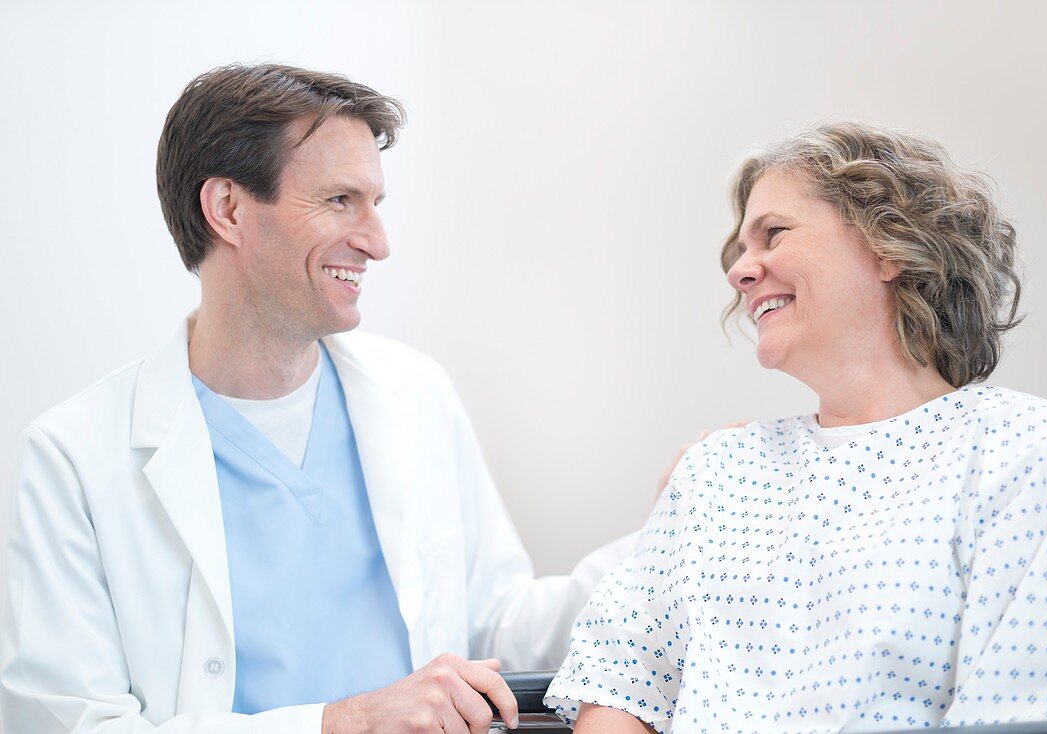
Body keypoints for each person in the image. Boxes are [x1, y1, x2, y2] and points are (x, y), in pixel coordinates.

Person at [0, 63, 634, 734]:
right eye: (340, 201)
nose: (377, 242)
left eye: (375, 205)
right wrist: (341, 722)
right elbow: (68, 724)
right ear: (228, 210)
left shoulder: (415, 394)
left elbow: (497, 625)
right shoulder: (75, 455)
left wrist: (675, 534)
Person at [545, 122, 1047, 733]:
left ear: (888, 243)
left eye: (773, 235)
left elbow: (1028, 711)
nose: (740, 273)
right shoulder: (715, 471)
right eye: (739, 252)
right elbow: (619, 689)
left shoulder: (1025, 452)